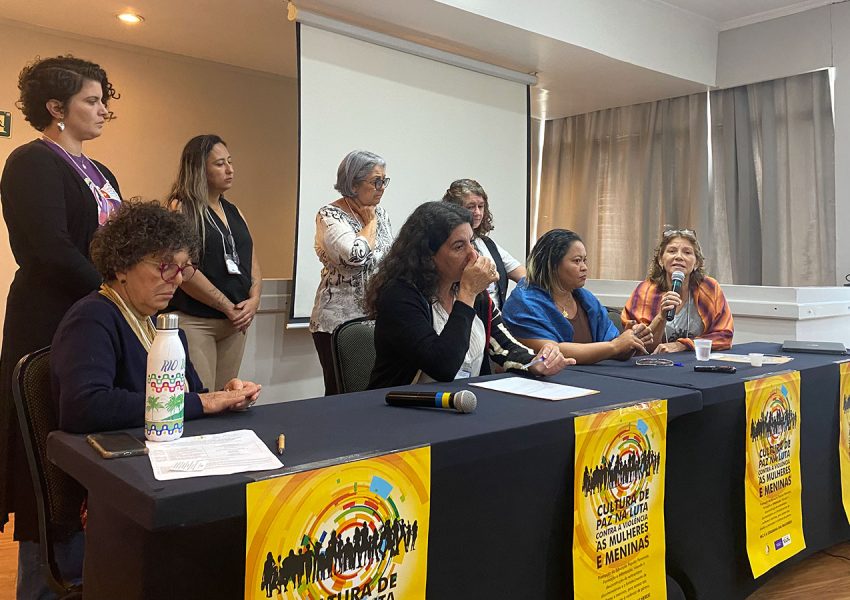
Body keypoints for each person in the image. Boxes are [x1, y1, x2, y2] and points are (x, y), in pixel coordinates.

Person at [0, 54, 123, 598]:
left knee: (90, 453)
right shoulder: (31, 161)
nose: (102, 110)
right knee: (47, 470)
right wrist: (113, 294)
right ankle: (42, 585)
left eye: (103, 101)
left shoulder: (103, 173)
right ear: (56, 107)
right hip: (47, 319)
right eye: (91, 101)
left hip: (97, 319)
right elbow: (51, 249)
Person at [366, 202, 571, 388]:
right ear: (427, 255)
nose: (473, 254)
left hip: (461, 402)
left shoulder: (473, 292)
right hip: (402, 406)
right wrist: (468, 293)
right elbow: (442, 366)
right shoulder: (399, 296)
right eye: (459, 246)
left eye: (471, 242)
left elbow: (504, 345)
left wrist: (535, 362)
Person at [167, 135, 262, 391]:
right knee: (203, 397)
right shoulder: (181, 208)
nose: (229, 169)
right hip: (197, 320)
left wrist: (254, 300)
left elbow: (251, 260)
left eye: (230, 162)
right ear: (199, 169)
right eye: (220, 164)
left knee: (228, 396)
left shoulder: (234, 210)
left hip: (235, 322)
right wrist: (226, 306)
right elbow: (184, 269)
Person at [310, 150, 393, 395]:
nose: (381, 188)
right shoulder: (330, 215)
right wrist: (370, 223)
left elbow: (388, 258)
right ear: (354, 184)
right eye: (376, 181)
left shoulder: (381, 213)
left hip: (375, 319)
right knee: (341, 393)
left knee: (373, 391)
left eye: (384, 181)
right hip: (338, 323)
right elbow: (355, 255)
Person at [502, 229, 652, 364]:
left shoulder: (587, 299)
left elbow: (612, 348)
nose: (584, 267)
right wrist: (615, 346)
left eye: (584, 260)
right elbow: (551, 352)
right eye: (577, 261)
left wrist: (631, 340)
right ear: (552, 265)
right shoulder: (523, 303)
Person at [622, 228, 734, 353]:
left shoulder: (710, 288)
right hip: (655, 362)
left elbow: (724, 335)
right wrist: (661, 317)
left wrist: (682, 345)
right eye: (672, 251)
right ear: (661, 260)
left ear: (696, 263)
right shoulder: (645, 292)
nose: (679, 257)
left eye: (687, 252)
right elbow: (638, 346)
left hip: (694, 361)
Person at [442, 179, 525, 309]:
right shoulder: (446, 247)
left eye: (480, 206)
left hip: (496, 318)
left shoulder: (487, 244)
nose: (477, 213)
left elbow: (523, 275)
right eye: (470, 207)